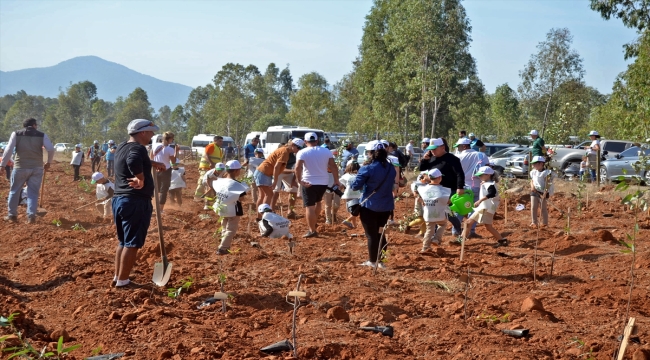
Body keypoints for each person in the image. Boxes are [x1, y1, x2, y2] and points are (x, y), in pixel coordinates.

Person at [111, 119, 166, 288]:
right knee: (132, 243)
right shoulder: (138, 148)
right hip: (135, 200)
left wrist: (152, 163)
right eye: (150, 132)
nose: (152, 136)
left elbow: (133, 158)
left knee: (124, 242)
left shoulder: (122, 147)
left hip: (119, 200)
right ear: (142, 133)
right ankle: (123, 281)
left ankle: (118, 277)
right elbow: (134, 159)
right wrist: (140, 178)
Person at [1, 118, 55, 224]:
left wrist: (2, 165)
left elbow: (8, 150)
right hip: (37, 168)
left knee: (14, 191)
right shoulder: (41, 135)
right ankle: (31, 216)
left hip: (20, 167)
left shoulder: (16, 134)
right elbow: (51, 149)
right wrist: (48, 162)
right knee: (33, 193)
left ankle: (12, 215)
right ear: (34, 125)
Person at [351, 141, 396, 268]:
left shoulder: (367, 168)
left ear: (371, 153)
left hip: (369, 206)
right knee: (380, 233)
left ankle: (372, 261)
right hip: (386, 206)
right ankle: (381, 261)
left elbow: (355, 186)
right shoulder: (390, 167)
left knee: (371, 235)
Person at [295, 132, 340, 238]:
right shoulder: (326, 151)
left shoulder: (302, 152)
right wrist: (336, 180)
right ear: (317, 141)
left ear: (305, 142)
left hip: (308, 182)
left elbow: (297, 167)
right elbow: (333, 166)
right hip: (323, 182)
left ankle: (312, 230)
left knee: (309, 206)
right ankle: (313, 223)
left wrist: (299, 181)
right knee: (318, 202)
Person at [418, 138, 464, 239]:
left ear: (442, 147)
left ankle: (458, 231)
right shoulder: (431, 158)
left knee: (448, 212)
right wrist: (424, 160)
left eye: (435, 149)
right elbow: (421, 168)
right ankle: (433, 234)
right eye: (431, 149)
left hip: (448, 190)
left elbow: (459, 174)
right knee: (433, 210)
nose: (432, 151)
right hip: (434, 189)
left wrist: (460, 187)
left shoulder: (452, 159)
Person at [255, 139, 304, 219]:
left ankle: (289, 211)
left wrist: (294, 180)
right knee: (269, 194)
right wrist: (275, 181)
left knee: (265, 195)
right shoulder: (284, 152)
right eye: (298, 148)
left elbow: (296, 168)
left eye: (300, 148)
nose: (299, 150)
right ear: (293, 145)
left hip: (266, 172)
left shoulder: (289, 152)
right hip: (266, 172)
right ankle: (265, 215)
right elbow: (277, 167)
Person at [460, 166, 508, 247]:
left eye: (481, 175)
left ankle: (502, 240)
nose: (479, 177)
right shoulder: (487, 183)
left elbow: (491, 193)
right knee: (469, 223)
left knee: (488, 227)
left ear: (488, 175)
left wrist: (480, 200)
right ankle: (461, 239)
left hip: (486, 208)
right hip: (483, 208)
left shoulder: (490, 184)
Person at [212, 160, 248, 254]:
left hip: (221, 208)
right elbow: (242, 198)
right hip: (233, 210)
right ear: (236, 171)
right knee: (231, 229)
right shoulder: (237, 184)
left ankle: (224, 244)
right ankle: (222, 248)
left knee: (224, 227)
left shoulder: (220, 182)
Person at [455, 137, 488, 238]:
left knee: (460, 208)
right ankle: (470, 231)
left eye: (459, 147)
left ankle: (455, 230)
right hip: (477, 186)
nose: (458, 149)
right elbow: (487, 169)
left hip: (462, 186)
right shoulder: (481, 155)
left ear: (464, 146)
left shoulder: (458, 157)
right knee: (474, 210)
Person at [418, 168, 451, 253]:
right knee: (443, 224)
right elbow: (448, 201)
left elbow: (418, 195)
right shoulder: (444, 190)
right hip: (440, 214)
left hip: (428, 214)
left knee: (429, 230)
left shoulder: (422, 189)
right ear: (440, 178)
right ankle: (436, 239)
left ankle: (425, 247)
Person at [150, 132, 178, 212]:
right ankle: (160, 209)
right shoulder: (170, 149)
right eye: (172, 139)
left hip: (155, 169)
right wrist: (176, 151)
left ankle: (150, 206)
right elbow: (173, 161)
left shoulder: (155, 145)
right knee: (163, 190)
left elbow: (151, 157)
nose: (172, 140)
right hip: (165, 170)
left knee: (154, 189)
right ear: (169, 139)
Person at [271, 151, 299, 220]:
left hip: (289, 172)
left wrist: (294, 181)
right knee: (276, 190)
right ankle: (271, 210)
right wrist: (293, 171)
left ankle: (290, 210)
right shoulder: (283, 154)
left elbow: (297, 168)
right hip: (278, 172)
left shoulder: (298, 154)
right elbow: (280, 168)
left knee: (294, 190)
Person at [194, 136, 224, 201]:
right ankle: (197, 197)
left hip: (213, 169)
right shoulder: (211, 146)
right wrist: (211, 163)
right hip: (206, 167)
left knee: (211, 183)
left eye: (222, 141)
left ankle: (208, 198)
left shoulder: (218, 148)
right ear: (215, 141)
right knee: (203, 181)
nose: (221, 142)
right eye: (220, 141)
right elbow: (205, 155)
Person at [529, 156, 554, 228]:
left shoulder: (546, 173)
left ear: (541, 164)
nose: (533, 165)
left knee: (543, 208)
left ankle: (545, 223)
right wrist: (532, 187)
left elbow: (547, 183)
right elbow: (532, 180)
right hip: (534, 192)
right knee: (533, 207)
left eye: (534, 164)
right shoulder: (533, 172)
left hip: (542, 192)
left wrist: (545, 192)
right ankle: (534, 222)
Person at [340, 160, 362, 229]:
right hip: (358, 195)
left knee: (352, 210)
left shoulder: (345, 176)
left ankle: (354, 225)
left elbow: (341, 186)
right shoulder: (359, 175)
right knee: (358, 210)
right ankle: (347, 220)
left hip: (348, 195)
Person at [407, 171, 429, 237]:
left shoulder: (429, 184)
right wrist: (420, 199)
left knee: (426, 219)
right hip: (420, 203)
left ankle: (421, 233)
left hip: (428, 203)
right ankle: (409, 225)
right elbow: (415, 194)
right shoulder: (417, 185)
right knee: (421, 219)